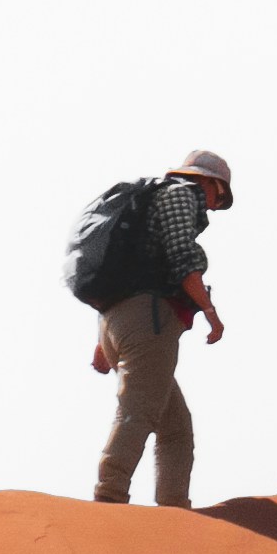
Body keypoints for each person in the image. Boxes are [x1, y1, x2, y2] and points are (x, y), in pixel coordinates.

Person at [85, 151, 234, 506]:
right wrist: (211, 313)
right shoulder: (183, 194)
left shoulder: (147, 204)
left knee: (175, 428)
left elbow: (123, 272)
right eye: (221, 195)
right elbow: (182, 257)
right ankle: (109, 495)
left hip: (118, 319)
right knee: (138, 411)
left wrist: (102, 343)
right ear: (207, 182)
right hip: (149, 320)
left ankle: (173, 508)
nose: (216, 206)